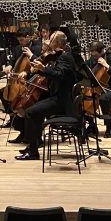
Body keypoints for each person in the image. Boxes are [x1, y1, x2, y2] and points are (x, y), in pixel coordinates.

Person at [13, 31, 76, 160]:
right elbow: (53, 74)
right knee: (34, 107)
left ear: (58, 42)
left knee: (30, 112)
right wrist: (37, 72)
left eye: (51, 40)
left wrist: (44, 69)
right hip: (56, 95)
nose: (48, 42)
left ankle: (33, 151)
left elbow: (59, 75)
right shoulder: (59, 56)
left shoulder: (65, 57)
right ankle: (34, 144)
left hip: (62, 100)